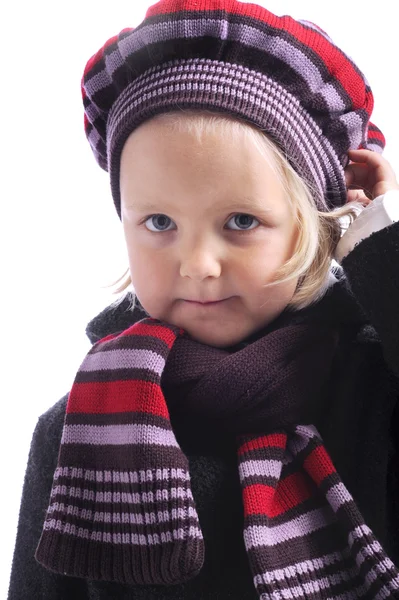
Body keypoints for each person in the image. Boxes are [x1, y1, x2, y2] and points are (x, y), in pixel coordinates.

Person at [7, 0, 399, 598]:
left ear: (317, 225)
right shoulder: (77, 430)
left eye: (241, 220)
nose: (197, 265)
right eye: (159, 222)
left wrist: (382, 239)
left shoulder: (374, 389)